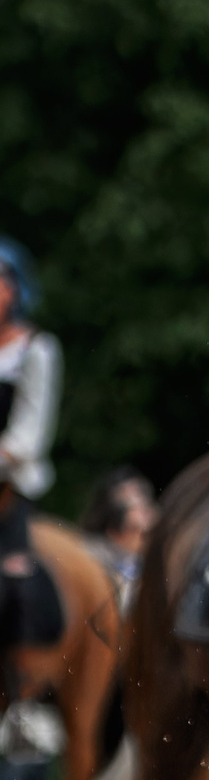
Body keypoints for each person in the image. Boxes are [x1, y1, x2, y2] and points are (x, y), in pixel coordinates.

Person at [0, 238, 62, 663]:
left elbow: (29, 436)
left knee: (14, 580)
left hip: (9, 487)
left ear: (16, 288)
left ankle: (19, 679)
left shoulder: (36, 349)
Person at [79, 467, 156, 597]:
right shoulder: (93, 561)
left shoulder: (164, 550)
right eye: (134, 505)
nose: (146, 512)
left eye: (145, 501)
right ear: (113, 531)